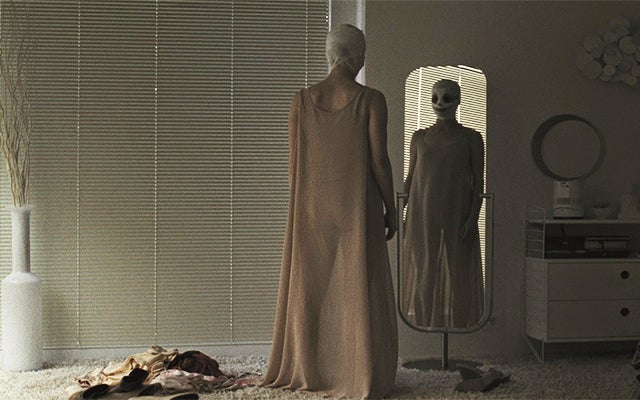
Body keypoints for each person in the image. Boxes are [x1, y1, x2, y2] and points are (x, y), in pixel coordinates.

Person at [260, 24, 398, 399]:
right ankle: (357, 370)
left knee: (311, 289)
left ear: (329, 54)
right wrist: (391, 207)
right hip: (357, 206)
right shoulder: (372, 100)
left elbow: (294, 167)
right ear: (359, 56)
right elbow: (379, 161)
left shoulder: (301, 101)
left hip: (310, 207)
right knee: (358, 286)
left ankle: (311, 369)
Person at [402, 79, 484, 328]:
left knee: (459, 272)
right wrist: (399, 213)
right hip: (422, 212)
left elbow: (478, 181)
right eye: (435, 98)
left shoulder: (471, 138)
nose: (440, 103)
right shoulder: (419, 137)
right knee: (425, 271)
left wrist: (472, 216)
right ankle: (425, 326)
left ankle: (459, 328)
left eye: (447, 98)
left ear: (458, 101)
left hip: (457, 211)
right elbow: (411, 177)